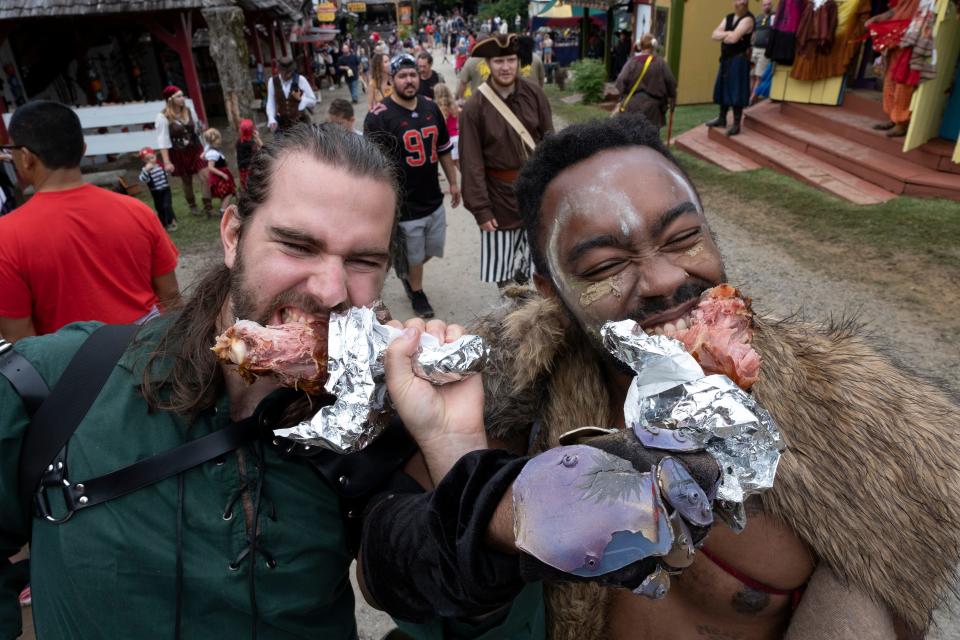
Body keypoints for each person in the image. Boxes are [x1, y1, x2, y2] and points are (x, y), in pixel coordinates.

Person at [434, 113, 958, 639]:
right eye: (603, 268)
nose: (664, 280)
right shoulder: (508, 412)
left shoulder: (858, 432)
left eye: (684, 238)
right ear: (552, 292)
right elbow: (402, 563)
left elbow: (898, 607)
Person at [0, 100, 180, 343]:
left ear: (26, 157)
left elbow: (20, 339)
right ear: (83, 149)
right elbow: (170, 295)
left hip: (71, 371)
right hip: (146, 356)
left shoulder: (7, 236)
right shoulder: (138, 211)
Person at [365, 54, 460, 319]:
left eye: (412, 75)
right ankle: (417, 293)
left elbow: (443, 148)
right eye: (402, 76)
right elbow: (373, 168)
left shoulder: (431, 108)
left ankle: (405, 268)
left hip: (432, 196)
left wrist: (453, 182)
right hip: (403, 205)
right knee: (416, 257)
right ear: (392, 79)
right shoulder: (378, 118)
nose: (409, 80)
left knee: (431, 250)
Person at [458, 33, 553, 287]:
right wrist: (481, 209)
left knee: (540, 267)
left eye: (510, 60)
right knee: (505, 275)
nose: (506, 67)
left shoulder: (535, 95)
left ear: (518, 61)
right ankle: (513, 320)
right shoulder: (474, 107)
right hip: (498, 198)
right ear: (487, 64)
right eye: (499, 61)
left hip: (535, 194)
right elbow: (471, 163)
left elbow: (549, 143)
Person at [866, 0, 924, 138]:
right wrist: (880, 17)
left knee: (903, 80)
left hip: (912, 37)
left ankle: (901, 122)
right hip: (894, 35)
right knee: (890, 79)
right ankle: (893, 117)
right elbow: (896, 9)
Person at [155, 84, 212, 216]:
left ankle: (208, 206)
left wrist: (206, 148)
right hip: (178, 152)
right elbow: (162, 140)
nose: (183, 98)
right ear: (170, 99)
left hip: (196, 148)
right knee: (187, 181)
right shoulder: (163, 117)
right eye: (179, 96)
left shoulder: (189, 110)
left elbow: (198, 130)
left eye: (182, 95)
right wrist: (167, 162)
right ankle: (192, 205)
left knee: (206, 176)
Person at [706, 0, 755, 136]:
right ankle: (722, 118)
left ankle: (736, 124)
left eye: (744, 1)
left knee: (736, 90)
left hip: (739, 60)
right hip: (726, 58)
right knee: (723, 88)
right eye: (739, 0)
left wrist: (726, 34)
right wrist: (729, 34)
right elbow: (714, 34)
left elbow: (733, 39)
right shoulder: (728, 17)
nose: (742, 3)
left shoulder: (748, 19)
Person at [614, 33, 677, 130]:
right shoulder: (660, 63)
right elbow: (671, 82)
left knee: (631, 137)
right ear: (654, 45)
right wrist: (672, 96)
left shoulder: (632, 62)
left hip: (632, 106)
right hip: (653, 109)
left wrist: (623, 95)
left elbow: (620, 80)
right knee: (651, 139)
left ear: (640, 45)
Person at [266, 55, 318, 134]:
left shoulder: (300, 80)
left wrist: (302, 100)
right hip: (282, 124)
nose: (288, 74)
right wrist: (271, 118)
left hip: (300, 123)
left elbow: (313, 100)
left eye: (290, 72)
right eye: (285, 72)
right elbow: (270, 102)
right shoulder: (272, 82)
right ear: (279, 70)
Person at [138, 146, 178, 231]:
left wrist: (170, 169)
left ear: (155, 156)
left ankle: (171, 222)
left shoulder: (160, 166)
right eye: (147, 159)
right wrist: (146, 171)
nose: (151, 160)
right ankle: (164, 224)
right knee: (160, 208)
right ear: (144, 161)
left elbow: (167, 173)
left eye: (152, 157)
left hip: (166, 190)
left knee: (167, 205)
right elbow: (142, 179)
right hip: (156, 192)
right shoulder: (145, 170)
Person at [202, 128, 237, 216]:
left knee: (225, 194)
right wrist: (222, 174)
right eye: (218, 140)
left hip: (222, 175)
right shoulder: (212, 153)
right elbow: (210, 167)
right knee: (228, 193)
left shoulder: (214, 150)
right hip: (219, 178)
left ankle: (224, 209)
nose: (220, 141)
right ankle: (223, 211)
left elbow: (202, 156)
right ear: (213, 141)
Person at [750, 0, 775, 103]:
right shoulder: (758, 17)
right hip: (755, 49)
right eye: (765, 5)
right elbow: (753, 32)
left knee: (759, 76)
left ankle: (751, 99)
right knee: (752, 75)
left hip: (765, 51)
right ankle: (750, 96)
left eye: (769, 4)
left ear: (772, 5)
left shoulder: (774, 17)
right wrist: (750, 46)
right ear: (762, 6)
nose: (767, 6)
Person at [433, 82, 460, 170]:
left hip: (449, 140)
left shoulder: (437, 108)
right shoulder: (454, 106)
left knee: (451, 165)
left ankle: (457, 182)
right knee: (458, 163)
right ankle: (467, 180)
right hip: (457, 136)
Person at [235, 118, 263, 191]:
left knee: (246, 188)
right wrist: (257, 138)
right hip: (251, 169)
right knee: (254, 188)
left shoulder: (239, 142)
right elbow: (264, 149)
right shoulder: (252, 144)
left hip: (242, 170)